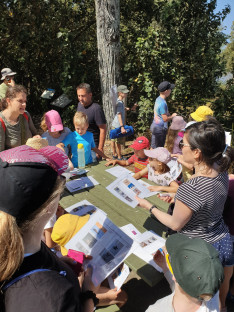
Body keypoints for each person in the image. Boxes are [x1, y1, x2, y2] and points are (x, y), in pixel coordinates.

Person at [136, 118, 234, 311]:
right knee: (220, 296)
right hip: (224, 240)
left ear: (197, 153)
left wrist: (149, 207)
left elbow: (175, 224)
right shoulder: (222, 169)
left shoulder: (190, 189)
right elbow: (205, 194)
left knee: (197, 297)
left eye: (183, 144)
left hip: (199, 250)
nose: (180, 148)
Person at [0, 145, 99, 312]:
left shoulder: (24, 243)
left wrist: (57, 262)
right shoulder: (52, 298)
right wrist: (88, 293)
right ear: (48, 207)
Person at [51, 213, 128, 308]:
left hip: (86, 291)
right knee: (122, 296)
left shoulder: (61, 261)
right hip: (85, 299)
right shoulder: (71, 272)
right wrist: (107, 295)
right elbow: (82, 295)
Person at [146, 233, 224, 312]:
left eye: (169, 258)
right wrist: (166, 268)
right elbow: (185, 286)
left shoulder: (156, 309)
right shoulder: (211, 290)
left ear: (175, 277)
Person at [0, 84, 38, 152]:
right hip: (12, 161)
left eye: (25, 101)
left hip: (30, 158)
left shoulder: (25, 115)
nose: (24, 104)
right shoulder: (1, 121)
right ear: (8, 101)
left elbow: (34, 133)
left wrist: (36, 138)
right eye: (20, 101)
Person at [76, 83, 106, 155]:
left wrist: (100, 149)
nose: (80, 98)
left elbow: (103, 129)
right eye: (78, 96)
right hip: (80, 145)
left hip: (93, 148)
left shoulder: (96, 109)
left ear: (90, 95)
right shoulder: (79, 105)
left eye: (83, 96)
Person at [150, 81, 177, 148]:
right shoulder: (162, 103)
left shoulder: (158, 99)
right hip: (160, 128)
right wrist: (173, 116)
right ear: (166, 91)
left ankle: (151, 158)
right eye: (170, 89)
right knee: (158, 149)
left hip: (155, 126)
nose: (171, 91)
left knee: (153, 147)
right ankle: (153, 159)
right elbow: (165, 119)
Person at [111, 85, 129, 160]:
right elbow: (119, 115)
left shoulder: (119, 102)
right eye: (124, 92)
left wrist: (125, 108)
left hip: (114, 125)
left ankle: (114, 154)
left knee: (113, 140)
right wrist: (122, 127)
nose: (126, 94)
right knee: (118, 142)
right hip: (118, 125)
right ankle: (119, 156)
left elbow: (119, 110)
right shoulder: (119, 103)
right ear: (120, 93)